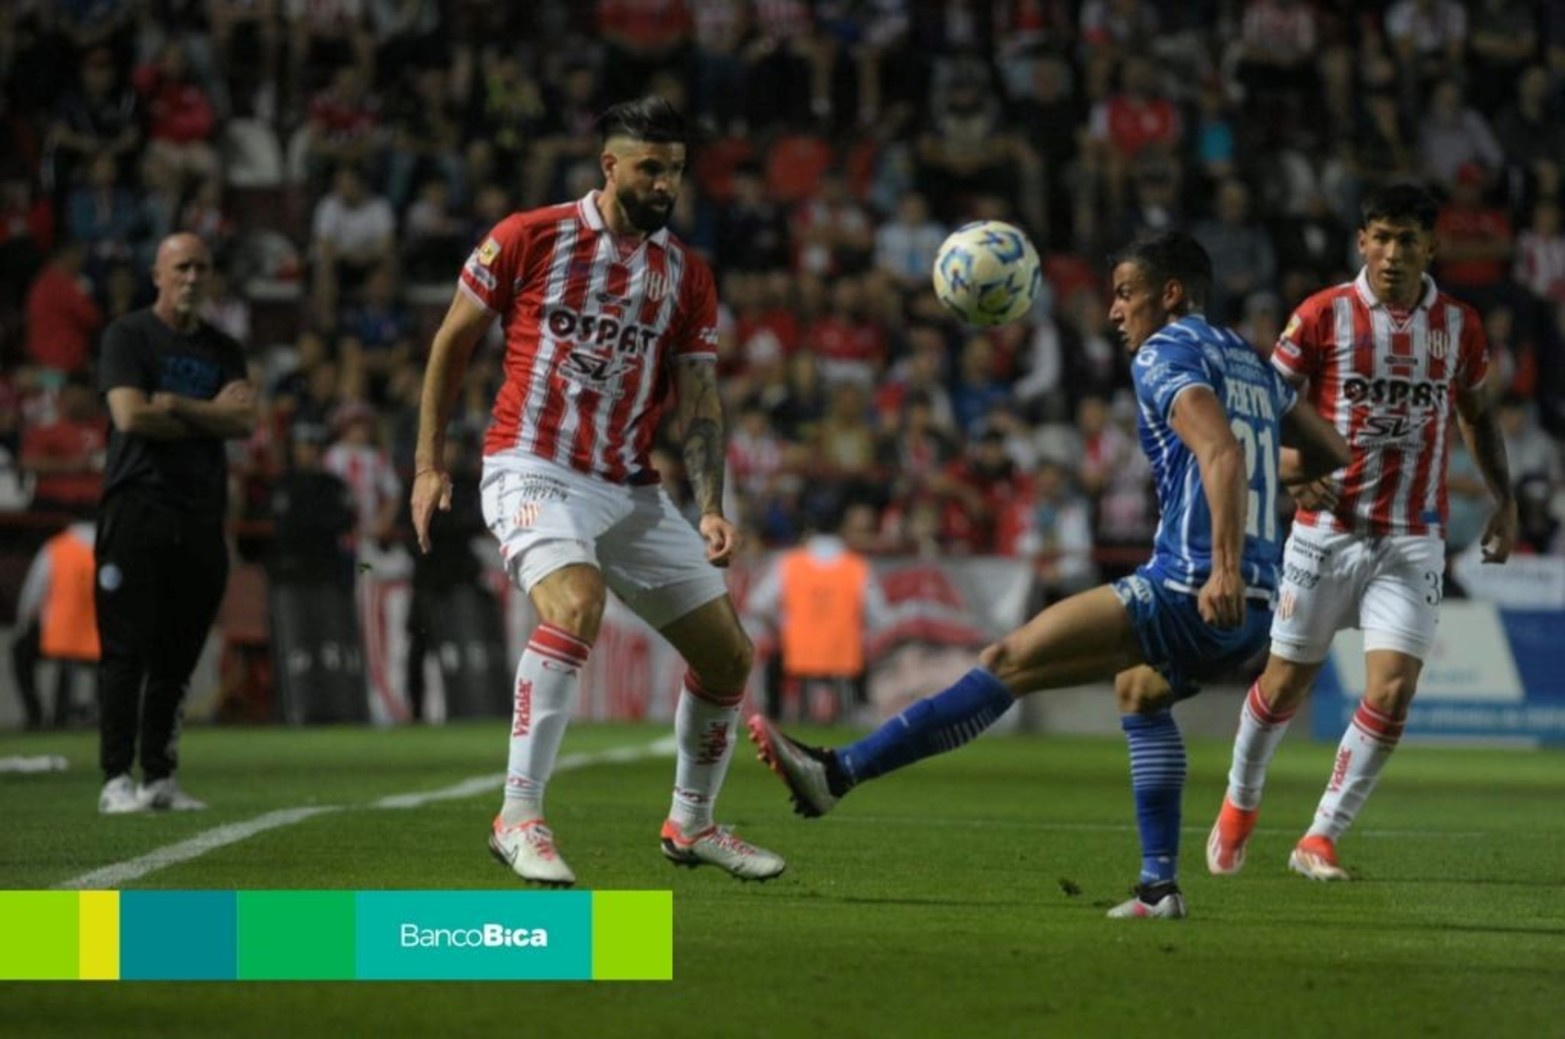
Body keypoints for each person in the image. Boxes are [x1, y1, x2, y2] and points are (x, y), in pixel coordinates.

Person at [748, 231, 1350, 919]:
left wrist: (1218, 565)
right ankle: (1158, 887)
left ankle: (837, 773)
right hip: (1256, 603)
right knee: (1140, 690)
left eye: (1126, 293)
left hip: (1192, 584)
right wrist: (1278, 482)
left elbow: (1219, 451)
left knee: (1006, 658)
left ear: (1171, 293)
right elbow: (1326, 449)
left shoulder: (1166, 351)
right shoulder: (1247, 357)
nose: (1115, 312)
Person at [409, 95, 786, 888]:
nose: (664, 183)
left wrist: (711, 503)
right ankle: (518, 815)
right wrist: (427, 463)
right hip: (531, 466)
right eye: (650, 167)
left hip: (630, 487)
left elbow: (700, 397)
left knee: (727, 656)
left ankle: (692, 823)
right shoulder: (528, 235)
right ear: (608, 165)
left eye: (675, 170)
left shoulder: (686, 273)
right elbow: (451, 341)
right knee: (574, 605)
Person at [1206, 183, 1518, 882]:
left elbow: (1476, 413)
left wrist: (1503, 499)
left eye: (1405, 239)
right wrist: (1289, 471)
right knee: (1284, 684)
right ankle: (1239, 802)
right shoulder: (1321, 315)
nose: (1390, 253)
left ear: (1429, 247)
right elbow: (1257, 412)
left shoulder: (1459, 326)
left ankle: (1319, 835)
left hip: (1412, 536)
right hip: (1326, 531)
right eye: (1378, 237)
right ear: (1360, 243)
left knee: (1392, 690)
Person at [95, 233, 256, 813]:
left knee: (177, 655)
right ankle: (116, 778)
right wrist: (210, 416)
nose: (193, 278)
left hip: (200, 514)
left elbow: (244, 423)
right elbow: (131, 416)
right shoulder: (128, 335)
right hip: (137, 508)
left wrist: (179, 406)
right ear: (158, 274)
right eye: (182, 267)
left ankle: (159, 777)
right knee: (125, 651)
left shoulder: (223, 347)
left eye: (202, 268)